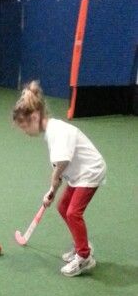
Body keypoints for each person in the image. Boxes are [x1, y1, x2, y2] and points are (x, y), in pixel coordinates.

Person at [13, 80, 106, 277]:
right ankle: (82, 244)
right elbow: (61, 163)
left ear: (35, 117)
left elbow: (61, 163)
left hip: (90, 171)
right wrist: (53, 190)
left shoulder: (57, 131)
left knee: (73, 212)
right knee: (63, 207)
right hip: (78, 172)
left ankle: (84, 258)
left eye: (24, 127)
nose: (24, 132)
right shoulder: (51, 131)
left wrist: (53, 185)